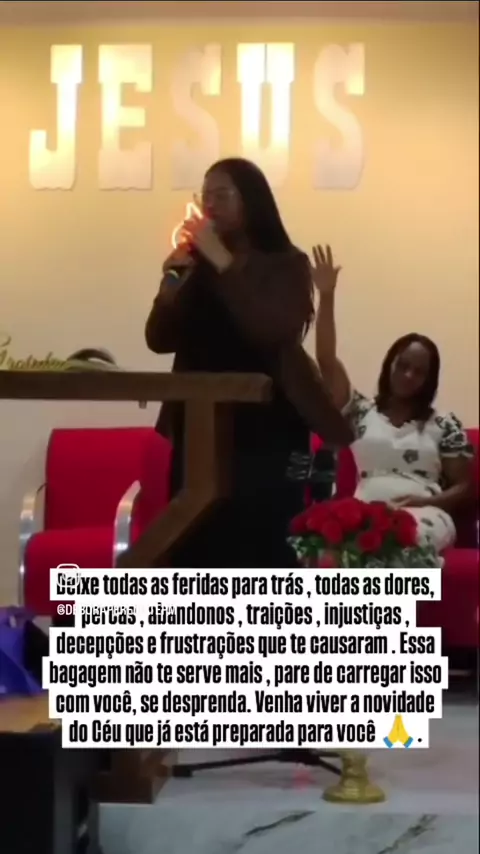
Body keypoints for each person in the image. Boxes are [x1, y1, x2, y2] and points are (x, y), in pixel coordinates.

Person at [145, 158, 352, 568]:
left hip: (267, 429)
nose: (210, 205)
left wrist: (223, 262)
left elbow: (270, 328)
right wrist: (169, 287)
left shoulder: (286, 263)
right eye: (205, 196)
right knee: (195, 542)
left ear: (252, 201)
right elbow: (158, 340)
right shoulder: (196, 264)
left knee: (262, 543)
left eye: (222, 195)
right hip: (200, 425)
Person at [311, 244, 474, 554]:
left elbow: (464, 487)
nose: (409, 375)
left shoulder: (444, 424)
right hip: (366, 512)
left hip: (425, 516)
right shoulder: (359, 411)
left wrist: (422, 502)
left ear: (429, 379)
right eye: (403, 366)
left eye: (419, 372)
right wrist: (327, 296)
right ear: (390, 365)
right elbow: (326, 361)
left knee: (404, 538)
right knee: (339, 537)